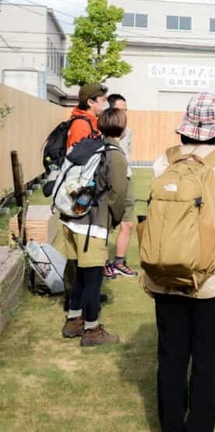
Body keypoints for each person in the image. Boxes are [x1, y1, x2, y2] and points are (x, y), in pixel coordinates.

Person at [144, 91, 215, 432]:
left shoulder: (163, 161)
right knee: (209, 361)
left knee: (171, 357)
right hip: (212, 275)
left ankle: (171, 426)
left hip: (165, 272)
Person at [60, 107, 128, 346]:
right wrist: (115, 219)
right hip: (91, 226)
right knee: (93, 280)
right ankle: (92, 331)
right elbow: (119, 194)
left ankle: (73, 321)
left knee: (79, 274)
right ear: (123, 126)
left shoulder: (90, 145)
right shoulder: (115, 154)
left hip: (69, 219)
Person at [104, 93, 138, 279]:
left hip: (127, 178)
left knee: (127, 223)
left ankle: (119, 262)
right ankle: (101, 263)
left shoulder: (128, 130)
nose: (124, 113)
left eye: (126, 109)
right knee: (105, 223)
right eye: (120, 109)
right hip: (109, 180)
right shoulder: (102, 131)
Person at [66, 82, 107, 149]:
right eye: (103, 100)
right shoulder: (81, 125)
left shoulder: (91, 122)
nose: (106, 104)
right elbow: (77, 157)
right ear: (90, 102)